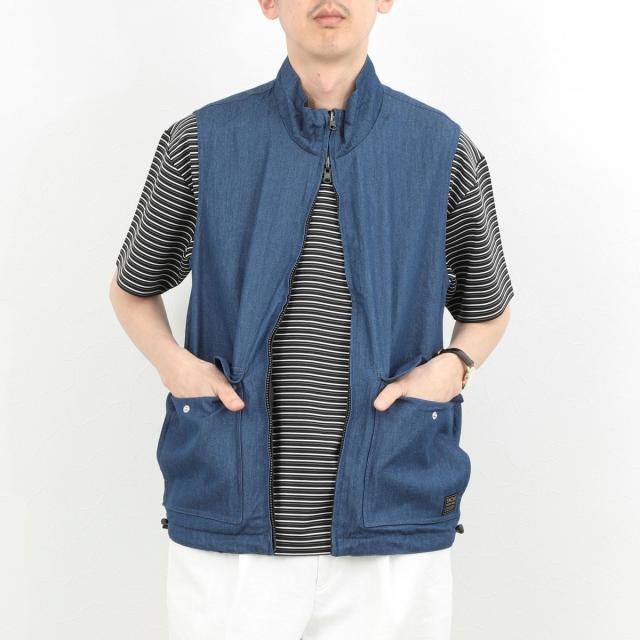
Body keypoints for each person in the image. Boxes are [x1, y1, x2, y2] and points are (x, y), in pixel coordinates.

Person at [109, 1, 515, 638]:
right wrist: (175, 367)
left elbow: (488, 308)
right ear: (269, 3)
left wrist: (453, 368)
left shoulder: (441, 148)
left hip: (393, 526)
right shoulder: (201, 143)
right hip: (230, 526)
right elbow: (132, 288)